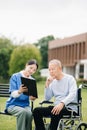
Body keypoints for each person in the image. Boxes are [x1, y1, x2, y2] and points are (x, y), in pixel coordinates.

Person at [33, 59, 78, 130]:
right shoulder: (53, 82)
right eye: (49, 70)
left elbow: (72, 94)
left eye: (53, 69)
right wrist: (47, 85)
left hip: (69, 108)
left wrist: (62, 103)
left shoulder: (70, 79)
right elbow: (47, 98)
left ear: (60, 69)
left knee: (55, 111)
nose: (51, 71)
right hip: (56, 107)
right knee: (36, 111)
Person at [5, 59, 38, 130]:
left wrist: (32, 98)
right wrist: (19, 91)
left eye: (34, 70)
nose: (32, 71)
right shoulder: (15, 76)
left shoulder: (32, 80)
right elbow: (12, 94)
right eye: (31, 68)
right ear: (26, 65)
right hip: (12, 105)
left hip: (25, 105)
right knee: (23, 112)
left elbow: (31, 97)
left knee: (29, 114)